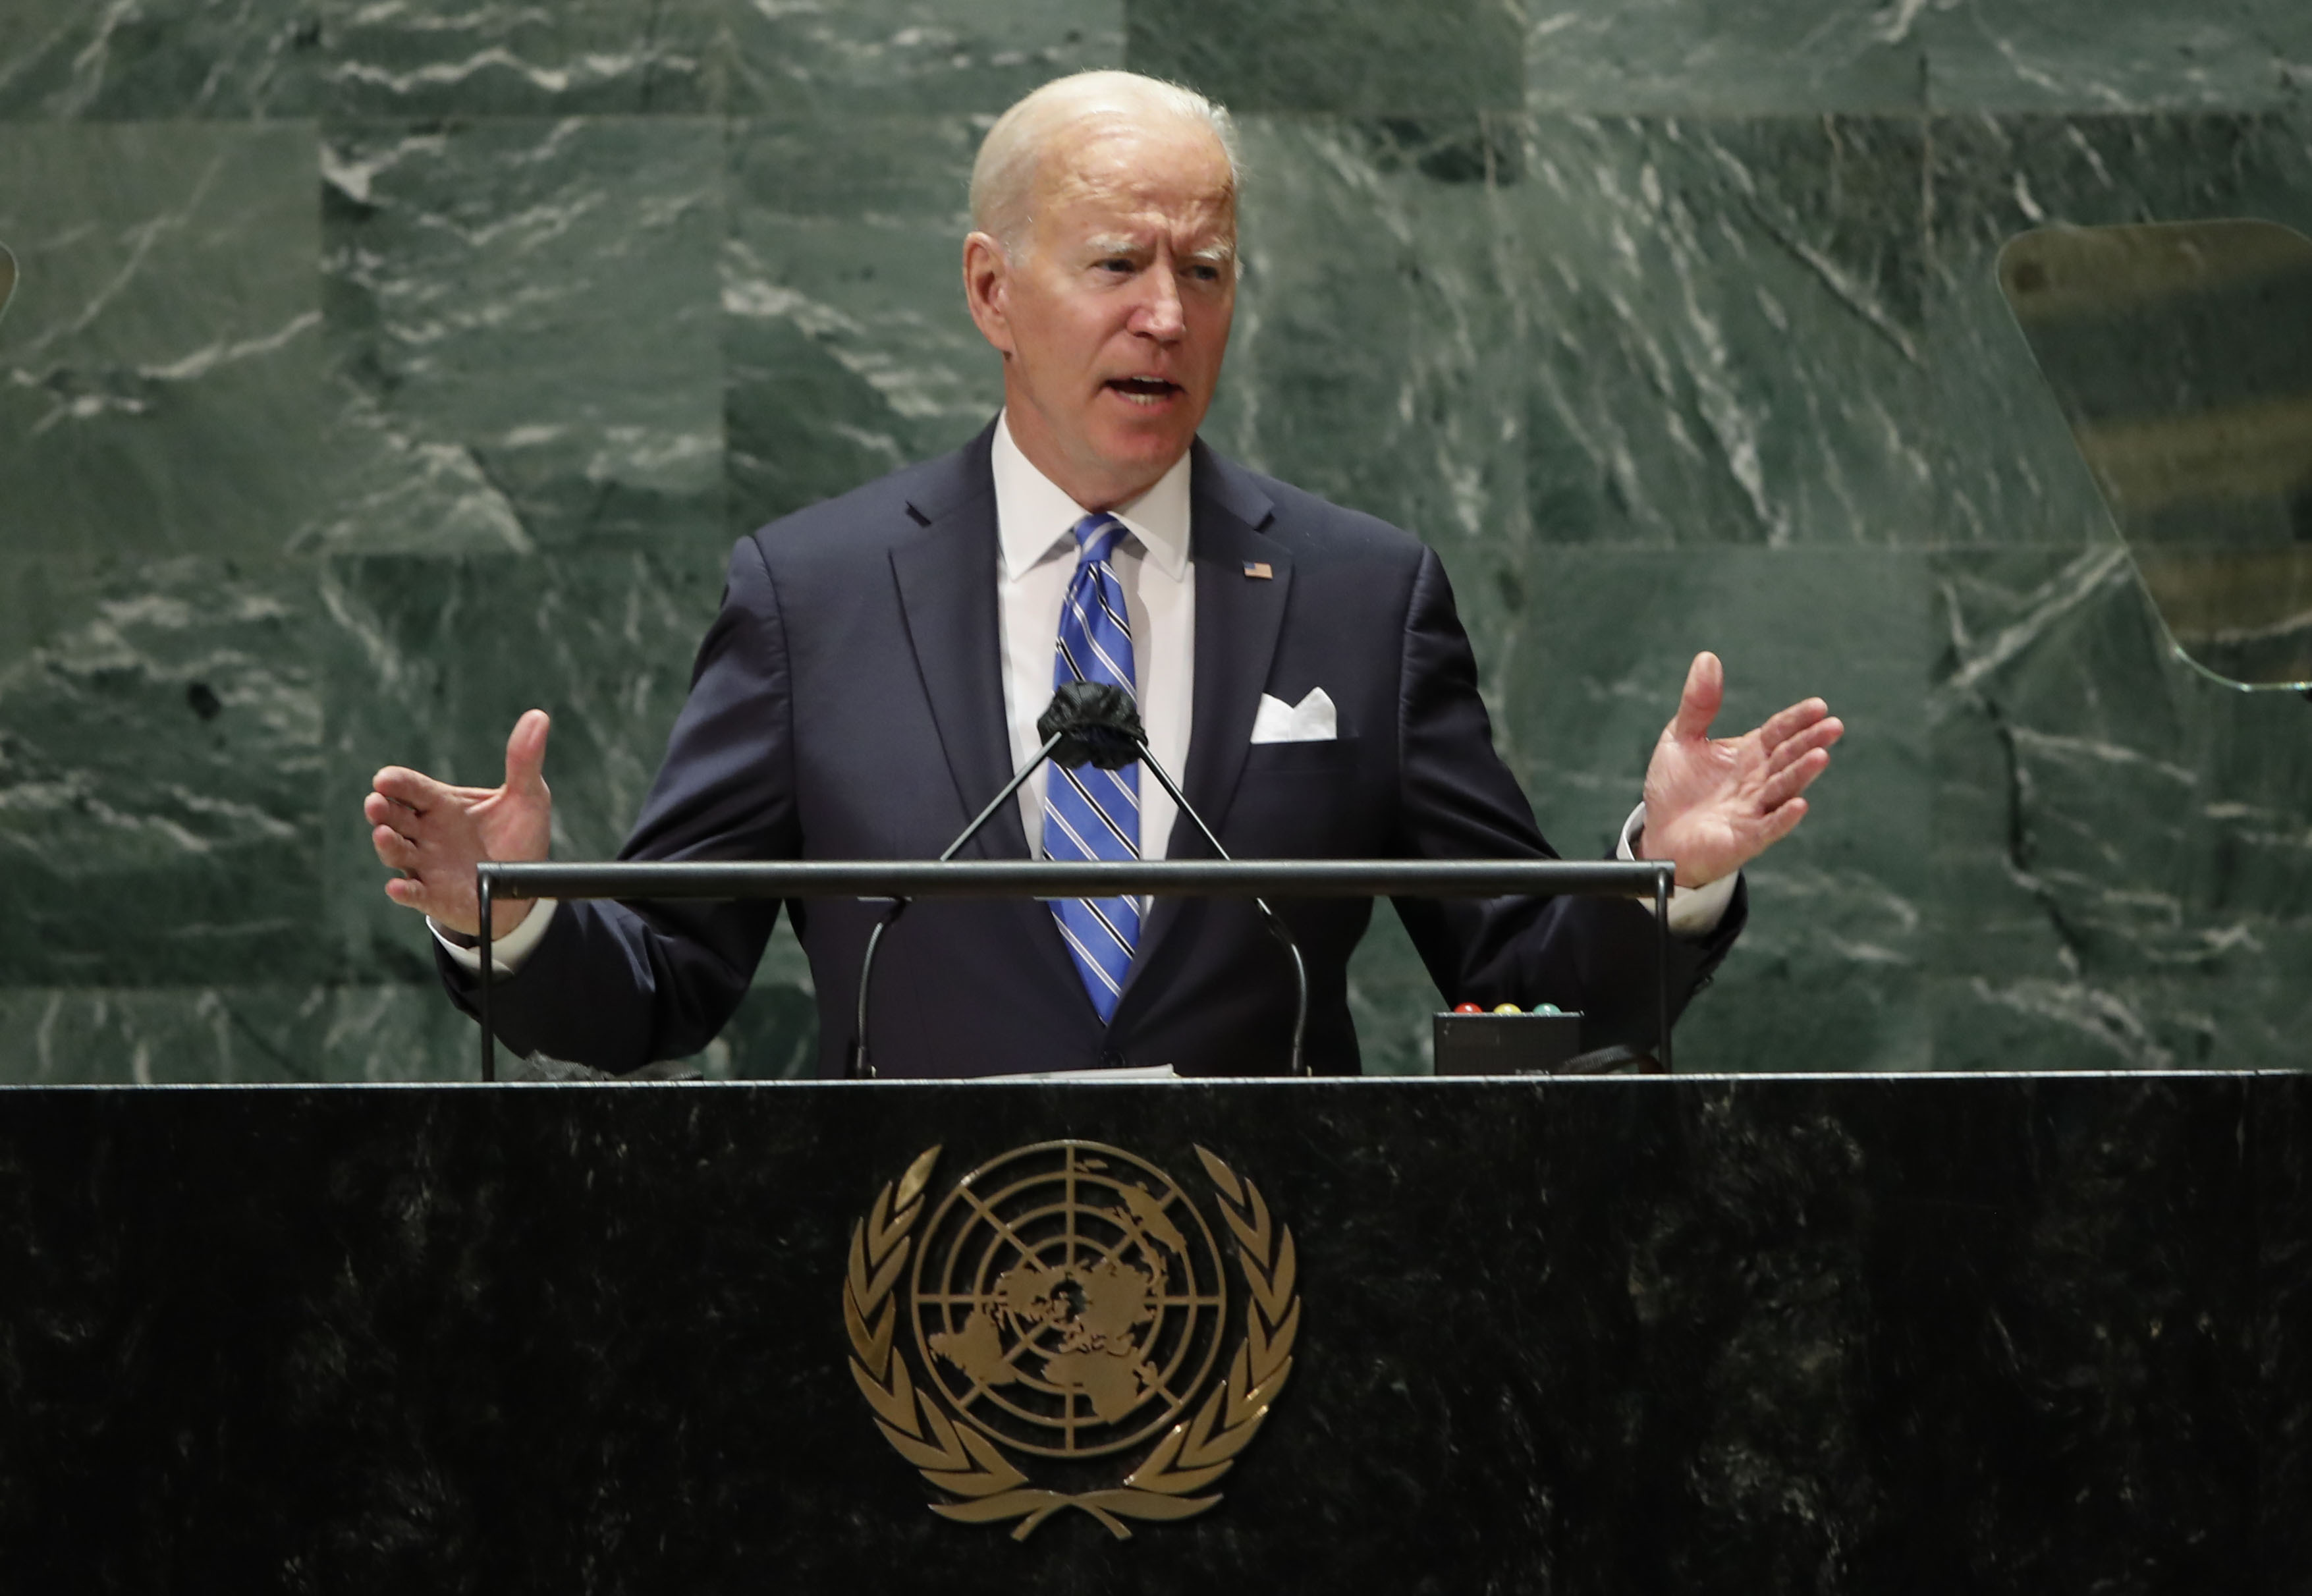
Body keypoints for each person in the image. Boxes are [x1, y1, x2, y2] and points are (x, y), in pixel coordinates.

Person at [363, 72, 1842, 1078]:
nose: (1166, 315)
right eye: (1117, 264)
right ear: (993, 291)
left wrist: (1664, 876)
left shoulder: (1358, 594)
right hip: (902, 1311)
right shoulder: (811, 596)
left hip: (1271, 1314)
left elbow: (1516, 968)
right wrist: (515, 913)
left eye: (1205, 273)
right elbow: (666, 981)